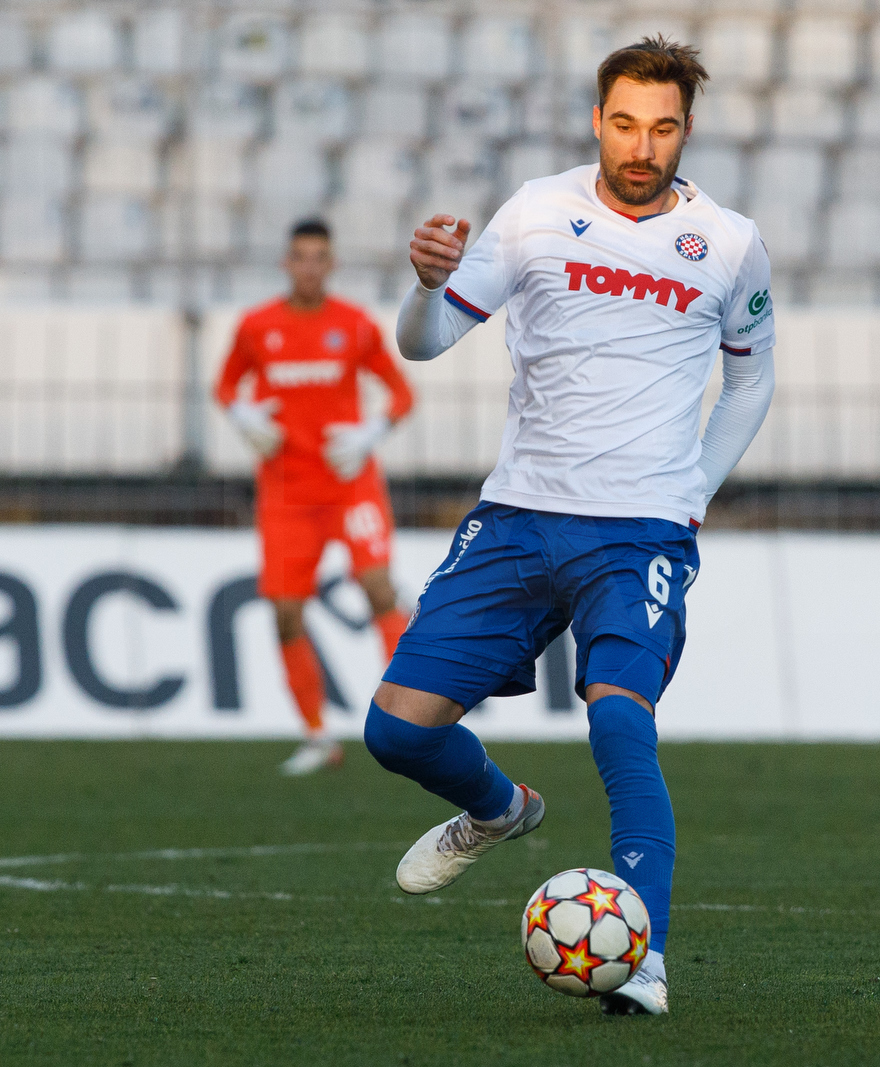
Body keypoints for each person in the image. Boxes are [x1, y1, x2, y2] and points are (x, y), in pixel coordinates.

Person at [361, 35, 775, 1017]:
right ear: (598, 120)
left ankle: (646, 957)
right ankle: (500, 807)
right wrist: (423, 286)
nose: (643, 144)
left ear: (685, 130)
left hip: (637, 534)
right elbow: (424, 344)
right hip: (517, 514)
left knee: (619, 717)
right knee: (394, 730)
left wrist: (692, 495)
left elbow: (751, 380)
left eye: (663, 126)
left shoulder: (728, 241)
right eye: (625, 123)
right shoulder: (537, 213)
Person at [215, 218, 416, 776]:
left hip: (349, 484)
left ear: (331, 265)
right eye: (299, 256)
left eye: (318, 257)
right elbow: (225, 384)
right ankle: (317, 735)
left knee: (379, 588)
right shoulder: (258, 327)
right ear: (287, 263)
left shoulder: (353, 326)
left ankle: (412, 721)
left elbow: (401, 393)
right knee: (284, 614)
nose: (308, 266)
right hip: (286, 492)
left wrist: (371, 433)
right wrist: (241, 414)